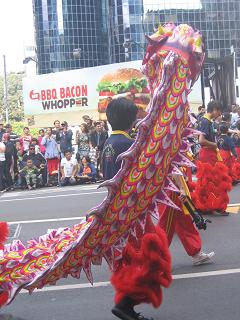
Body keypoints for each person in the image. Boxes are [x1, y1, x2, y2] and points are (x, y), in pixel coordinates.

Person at [102, 98, 172, 320]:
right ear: (133, 119)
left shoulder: (108, 143)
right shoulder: (128, 145)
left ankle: (127, 306)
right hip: (132, 211)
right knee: (151, 259)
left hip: (117, 212)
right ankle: (124, 305)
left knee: (132, 261)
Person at [192, 100, 232, 214]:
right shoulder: (205, 121)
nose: (219, 115)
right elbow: (201, 140)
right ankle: (213, 206)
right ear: (214, 109)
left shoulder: (206, 120)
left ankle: (206, 206)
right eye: (219, 111)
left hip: (208, 154)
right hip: (208, 154)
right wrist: (214, 144)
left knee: (207, 181)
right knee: (213, 181)